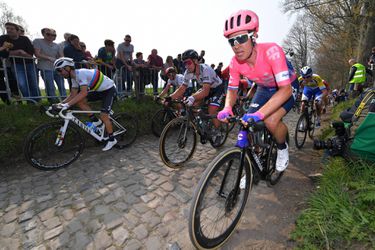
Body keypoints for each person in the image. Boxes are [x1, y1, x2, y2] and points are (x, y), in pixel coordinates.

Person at [217, 10, 300, 173]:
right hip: (264, 88)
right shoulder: (235, 63)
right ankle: (250, 163)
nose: (236, 45)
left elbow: (285, 90)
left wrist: (260, 114)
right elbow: (232, 90)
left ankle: (282, 148)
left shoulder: (272, 51)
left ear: (253, 36)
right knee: (245, 124)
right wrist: (227, 108)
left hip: (287, 86)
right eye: (232, 41)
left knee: (270, 121)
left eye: (241, 38)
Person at [53, 57, 118, 151]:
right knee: (79, 101)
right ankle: (96, 121)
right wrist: (60, 104)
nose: (59, 73)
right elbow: (73, 95)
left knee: (104, 115)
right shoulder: (74, 78)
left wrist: (66, 105)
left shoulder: (81, 74)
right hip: (99, 91)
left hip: (109, 90)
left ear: (68, 68)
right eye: (57, 71)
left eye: (59, 70)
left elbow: (83, 93)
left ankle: (112, 139)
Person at [170, 49, 224, 132]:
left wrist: (192, 97)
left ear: (195, 61)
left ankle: (219, 132)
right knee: (192, 105)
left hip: (217, 88)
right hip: (206, 88)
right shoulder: (188, 72)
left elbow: (205, 92)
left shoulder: (205, 69)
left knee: (211, 110)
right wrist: (170, 98)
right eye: (185, 63)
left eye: (188, 62)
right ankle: (202, 123)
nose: (186, 66)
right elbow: (182, 88)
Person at [0, 22, 40, 102]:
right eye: (7, 28)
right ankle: (30, 101)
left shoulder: (25, 39)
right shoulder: (3, 38)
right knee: (21, 84)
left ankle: (37, 102)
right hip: (16, 65)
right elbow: (3, 53)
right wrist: (18, 52)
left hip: (29, 64)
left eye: (11, 29)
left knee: (33, 83)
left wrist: (22, 53)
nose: (9, 30)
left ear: (17, 31)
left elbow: (30, 54)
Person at [33, 28, 66, 102]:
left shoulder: (57, 45)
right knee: (50, 86)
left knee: (61, 85)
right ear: (43, 34)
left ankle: (66, 101)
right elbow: (37, 54)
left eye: (54, 35)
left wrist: (61, 62)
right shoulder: (37, 41)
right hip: (45, 68)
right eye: (48, 34)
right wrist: (49, 58)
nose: (51, 36)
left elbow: (61, 56)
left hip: (57, 68)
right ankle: (53, 102)